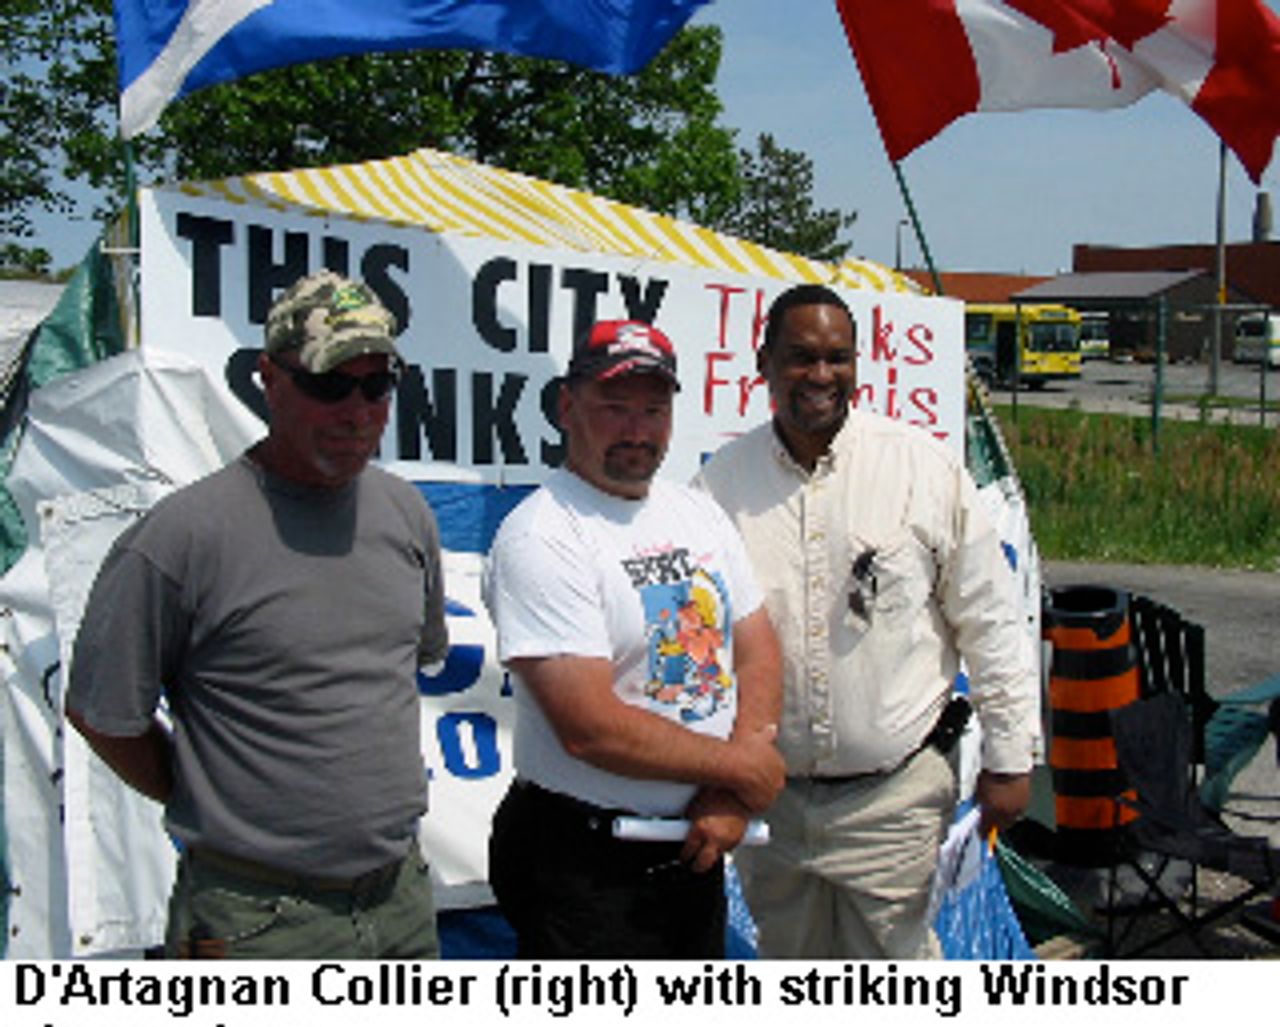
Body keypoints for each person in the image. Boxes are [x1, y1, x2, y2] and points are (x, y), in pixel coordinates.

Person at [64, 269, 449, 959]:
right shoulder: (180, 538)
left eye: (376, 386)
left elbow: (401, 670)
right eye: (330, 385)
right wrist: (217, 803)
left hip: (403, 903)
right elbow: (102, 714)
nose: (358, 410)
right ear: (269, 380)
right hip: (256, 919)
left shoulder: (406, 514)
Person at [695, 284, 1037, 959]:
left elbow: (992, 624)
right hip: (775, 807)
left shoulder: (922, 469)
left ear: (857, 365)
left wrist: (1011, 757)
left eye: (836, 358)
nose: (820, 376)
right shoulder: (719, 488)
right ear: (763, 363)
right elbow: (702, 650)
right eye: (800, 358)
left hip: (896, 802)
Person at [483, 318, 785, 959]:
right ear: (567, 407)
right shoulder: (544, 535)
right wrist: (744, 770)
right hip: (584, 862)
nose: (638, 430)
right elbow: (589, 726)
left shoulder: (695, 510)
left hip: (696, 844)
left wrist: (730, 795)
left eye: (654, 409)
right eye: (615, 408)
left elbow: (756, 645)